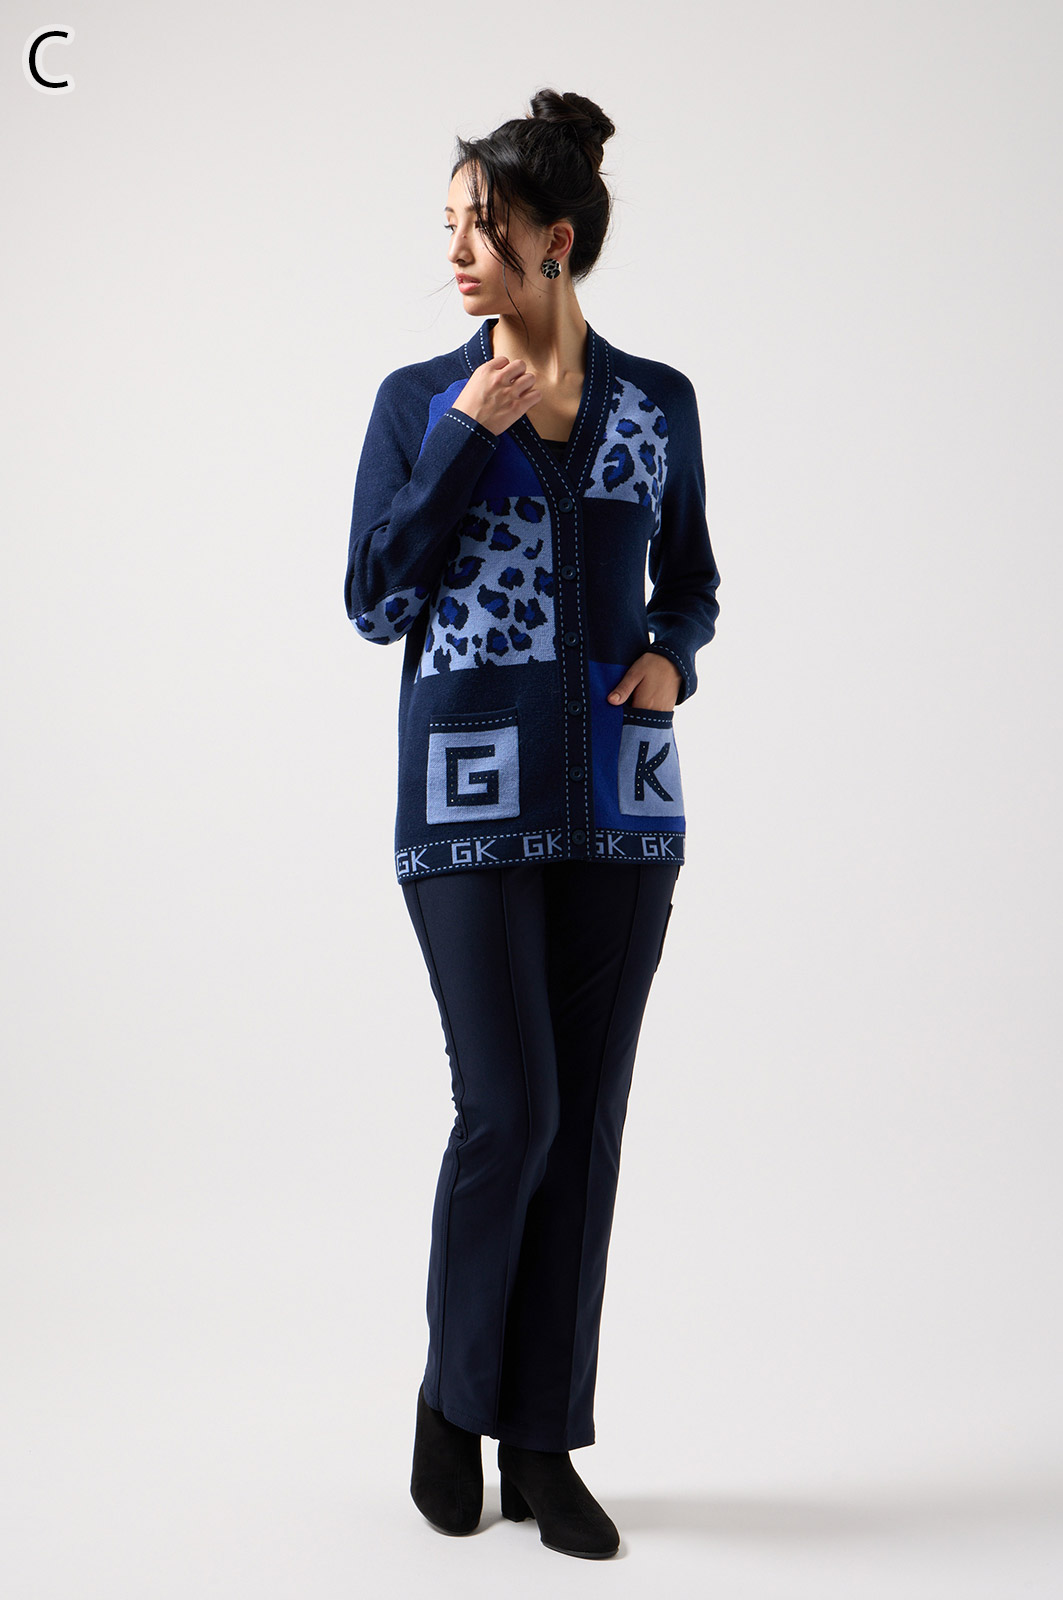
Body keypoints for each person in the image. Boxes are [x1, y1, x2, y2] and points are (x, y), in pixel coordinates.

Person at [343, 88, 721, 1560]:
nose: (457, 252)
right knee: (513, 1111)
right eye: (448, 226)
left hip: (622, 804)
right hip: (468, 802)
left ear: (555, 242)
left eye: (483, 228)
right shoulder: (416, 401)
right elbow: (375, 600)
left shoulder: (657, 404)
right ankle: (454, 1403)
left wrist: (672, 656)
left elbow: (691, 583)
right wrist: (460, 439)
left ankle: (545, 1443)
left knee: (589, 1129)